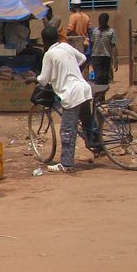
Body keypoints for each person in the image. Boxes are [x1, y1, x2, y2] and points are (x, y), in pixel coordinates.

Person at [36, 27, 95, 173]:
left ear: (45, 41)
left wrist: (34, 78)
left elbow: (43, 80)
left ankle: (66, 164)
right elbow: (82, 58)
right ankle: (98, 147)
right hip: (84, 89)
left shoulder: (49, 54)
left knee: (67, 130)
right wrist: (71, 69)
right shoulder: (66, 46)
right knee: (88, 123)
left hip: (71, 94)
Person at [89, 12, 118, 85]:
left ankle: (102, 95)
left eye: (102, 22)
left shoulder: (111, 32)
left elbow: (113, 46)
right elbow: (92, 44)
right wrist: (90, 56)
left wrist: (115, 59)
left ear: (106, 22)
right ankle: (98, 94)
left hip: (106, 56)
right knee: (98, 76)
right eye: (100, 21)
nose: (101, 23)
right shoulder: (95, 31)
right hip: (95, 56)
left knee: (105, 77)